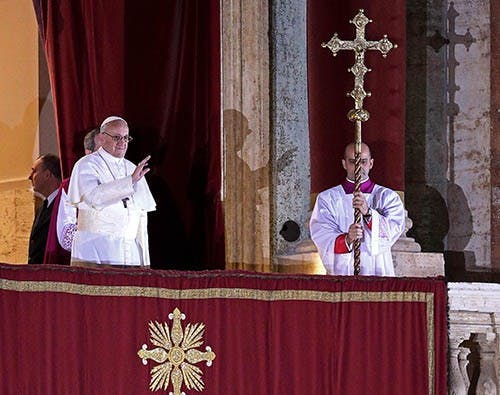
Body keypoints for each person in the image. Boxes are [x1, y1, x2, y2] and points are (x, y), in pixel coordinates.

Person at [67, 116, 156, 268]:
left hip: (131, 253)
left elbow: (141, 219)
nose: (122, 143)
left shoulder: (132, 167)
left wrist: (145, 263)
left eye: (126, 138)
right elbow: (93, 197)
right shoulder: (86, 164)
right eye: (117, 137)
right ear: (101, 138)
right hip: (96, 250)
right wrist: (130, 181)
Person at [310, 142, 405, 276]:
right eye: (353, 161)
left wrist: (368, 214)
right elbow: (321, 234)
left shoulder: (388, 197)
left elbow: (394, 230)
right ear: (344, 164)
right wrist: (347, 239)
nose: (358, 166)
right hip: (344, 271)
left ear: (371, 163)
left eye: (363, 161)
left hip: (377, 269)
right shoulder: (327, 198)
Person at [43, 127, 103, 265]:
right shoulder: (70, 186)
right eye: (102, 149)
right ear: (88, 152)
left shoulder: (124, 183)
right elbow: (66, 236)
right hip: (84, 262)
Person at [28, 154, 62, 264]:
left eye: (34, 171)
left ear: (47, 175)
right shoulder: (42, 208)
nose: (30, 176)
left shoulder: (63, 205)